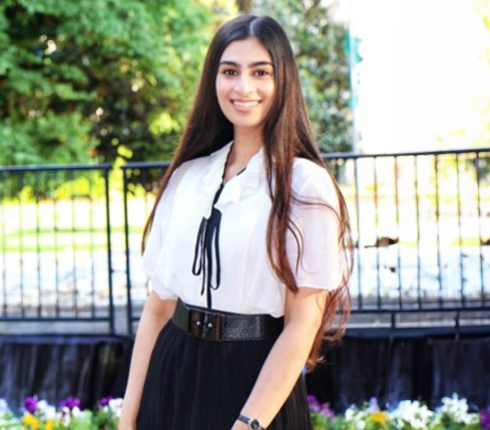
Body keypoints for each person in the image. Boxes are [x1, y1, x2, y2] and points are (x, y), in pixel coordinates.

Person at [119, 14, 352, 430]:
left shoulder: (305, 185)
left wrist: (248, 424)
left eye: (260, 72)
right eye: (230, 71)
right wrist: (128, 417)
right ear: (214, 80)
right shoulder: (188, 178)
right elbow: (157, 310)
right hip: (172, 372)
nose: (243, 87)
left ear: (283, 82)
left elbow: (303, 322)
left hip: (253, 380)